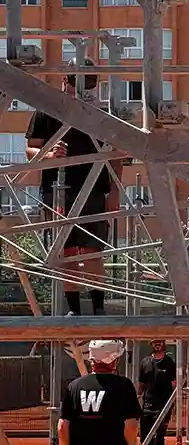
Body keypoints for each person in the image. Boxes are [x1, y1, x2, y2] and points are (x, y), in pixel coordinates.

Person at [25, 58, 121, 316]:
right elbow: (30, 150)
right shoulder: (46, 111)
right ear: (64, 81)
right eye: (79, 84)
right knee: (65, 252)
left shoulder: (101, 114)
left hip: (94, 189)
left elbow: (117, 154)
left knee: (92, 251)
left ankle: (98, 310)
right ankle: (75, 312)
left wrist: (115, 191)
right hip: (58, 188)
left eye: (89, 84)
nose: (83, 91)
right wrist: (48, 154)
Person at [137, 339, 177, 445]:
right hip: (147, 405)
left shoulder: (169, 363)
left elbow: (174, 385)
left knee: (159, 438)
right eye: (155, 342)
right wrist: (137, 397)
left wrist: (172, 404)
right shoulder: (145, 362)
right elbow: (141, 384)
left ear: (164, 344)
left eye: (160, 342)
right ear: (151, 345)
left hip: (164, 406)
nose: (158, 344)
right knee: (143, 439)